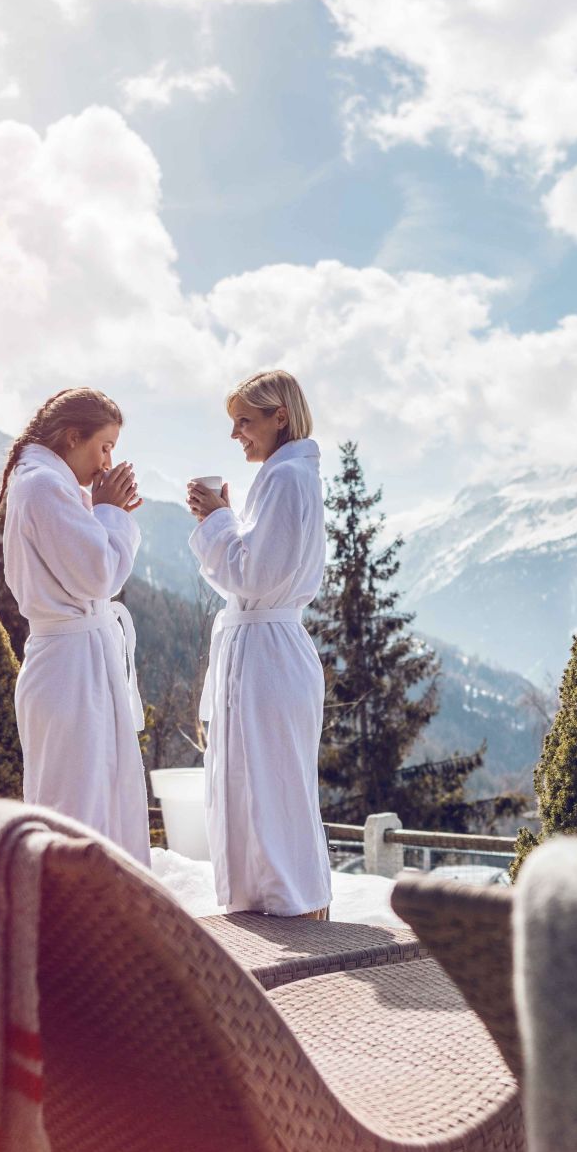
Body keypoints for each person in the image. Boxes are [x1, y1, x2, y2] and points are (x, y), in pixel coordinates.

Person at [186, 370, 332, 918]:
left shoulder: (287, 478)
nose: (236, 435)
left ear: (281, 418)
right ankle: (271, 905)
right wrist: (223, 519)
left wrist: (218, 520)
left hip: (269, 655)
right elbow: (251, 573)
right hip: (264, 647)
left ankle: (293, 911)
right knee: (260, 784)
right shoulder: (282, 477)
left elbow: (254, 576)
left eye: (245, 421)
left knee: (272, 788)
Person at [0, 387, 150, 864]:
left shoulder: (51, 485)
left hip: (78, 661)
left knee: (97, 796)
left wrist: (105, 512)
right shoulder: (42, 486)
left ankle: (104, 922)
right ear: (71, 437)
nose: (107, 463)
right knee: (76, 804)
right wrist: (109, 512)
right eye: (104, 447)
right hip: (68, 669)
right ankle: (72, 925)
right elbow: (98, 574)